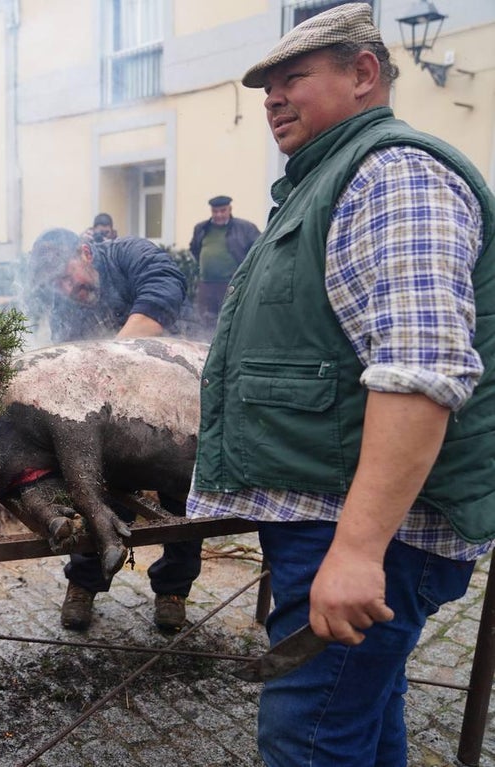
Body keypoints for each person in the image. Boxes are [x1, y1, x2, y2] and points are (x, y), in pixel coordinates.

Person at [187, 5, 495, 765]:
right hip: (340, 519)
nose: (272, 99)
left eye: (294, 79)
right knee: (360, 720)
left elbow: (422, 373)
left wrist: (359, 550)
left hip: (368, 534)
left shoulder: (395, 174)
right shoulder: (331, 179)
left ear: (364, 75)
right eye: (265, 88)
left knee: (312, 739)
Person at [27, 228, 200, 632]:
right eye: (58, 285)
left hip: (176, 402)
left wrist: (112, 357)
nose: (69, 289)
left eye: (70, 277)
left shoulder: (131, 254)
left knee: (184, 504)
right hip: (118, 417)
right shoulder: (67, 305)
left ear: (85, 252)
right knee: (97, 491)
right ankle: (85, 583)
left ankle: (173, 589)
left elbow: (164, 288)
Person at [188, 195, 261, 325]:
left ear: (230, 209)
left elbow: (258, 251)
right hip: (206, 285)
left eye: (223, 210)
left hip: (232, 286)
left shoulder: (245, 228)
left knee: (231, 322)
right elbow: (195, 249)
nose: (219, 215)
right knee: (204, 323)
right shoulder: (201, 229)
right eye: (215, 211)